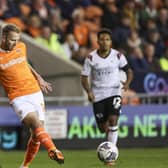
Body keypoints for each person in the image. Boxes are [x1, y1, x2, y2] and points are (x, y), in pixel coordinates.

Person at [0, 24, 64, 168]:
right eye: (12, 40)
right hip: (18, 97)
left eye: (17, 39)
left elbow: (25, 63)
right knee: (35, 123)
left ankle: (25, 166)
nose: (15, 43)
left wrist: (38, 77)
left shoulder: (21, 47)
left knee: (36, 133)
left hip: (35, 92)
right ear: (3, 38)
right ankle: (53, 149)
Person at [81, 28, 133, 166]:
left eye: (107, 39)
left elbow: (129, 71)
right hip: (98, 95)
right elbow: (84, 77)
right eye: (102, 39)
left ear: (111, 42)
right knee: (103, 128)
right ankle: (109, 147)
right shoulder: (91, 57)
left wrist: (127, 83)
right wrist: (89, 92)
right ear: (97, 42)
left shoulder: (118, 56)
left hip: (114, 91)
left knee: (113, 120)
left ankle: (110, 157)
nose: (105, 42)